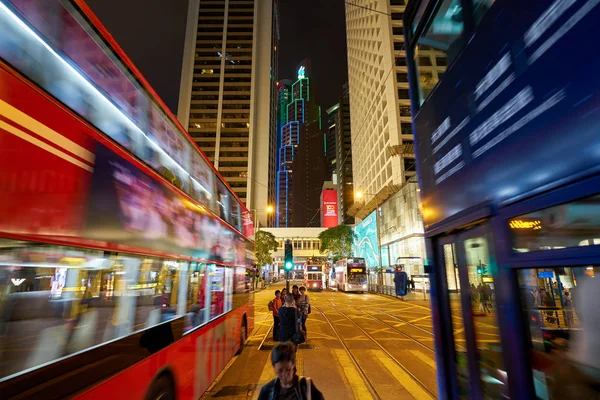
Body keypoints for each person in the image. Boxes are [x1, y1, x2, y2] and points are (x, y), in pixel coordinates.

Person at [258, 341, 324, 400]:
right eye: (280, 371)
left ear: (294, 364)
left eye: (288, 369)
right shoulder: (267, 391)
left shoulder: (306, 386)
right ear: (274, 367)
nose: (285, 374)